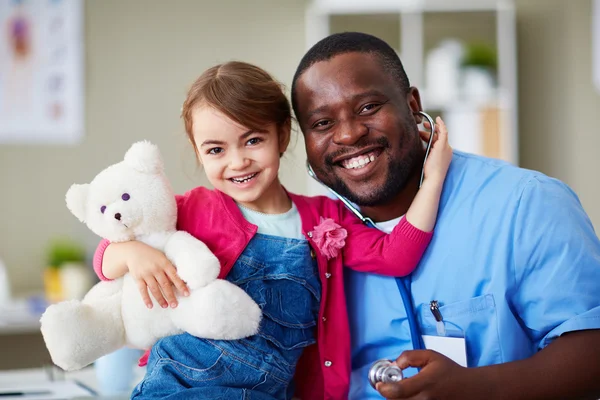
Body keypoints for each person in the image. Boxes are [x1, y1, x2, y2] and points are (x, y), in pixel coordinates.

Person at [91, 61, 452, 399]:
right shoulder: (188, 208)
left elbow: (397, 257)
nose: (238, 161)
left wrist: (432, 179)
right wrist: (131, 253)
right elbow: (106, 259)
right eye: (216, 149)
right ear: (198, 153)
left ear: (281, 135)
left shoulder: (326, 217)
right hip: (180, 383)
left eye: (252, 141)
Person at [291, 31, 600, 400]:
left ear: (412, 103)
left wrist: (476, 388)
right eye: (322, 123)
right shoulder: (307, 241)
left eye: (368, 107)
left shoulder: (525, 203)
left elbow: (592, 352)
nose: (349, 134)